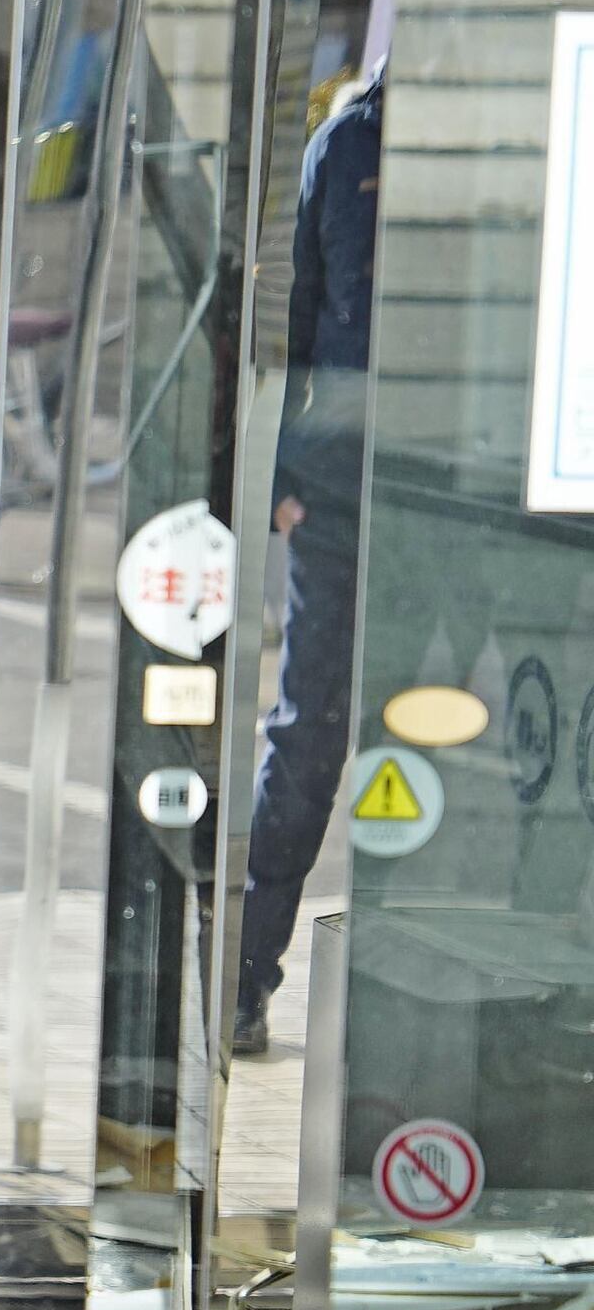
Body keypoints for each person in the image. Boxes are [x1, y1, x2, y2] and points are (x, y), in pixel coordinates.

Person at [237, 69, 382, 1056]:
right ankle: (243, 982)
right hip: (338, 490)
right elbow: (293, 312)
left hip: (467, 503)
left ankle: (410, 1018)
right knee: (309, 736)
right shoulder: (350, 143)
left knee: (447, 746)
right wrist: (279, 474)